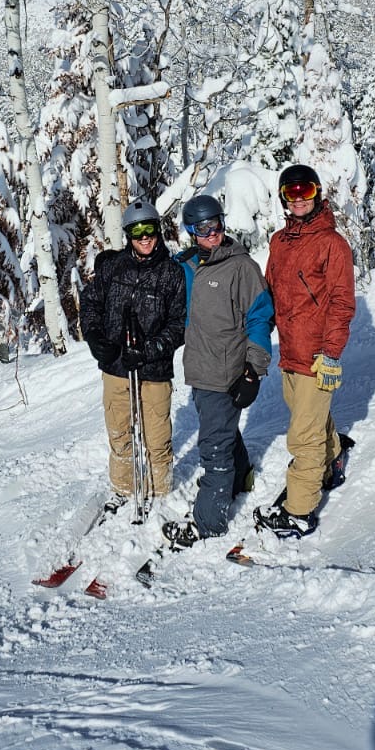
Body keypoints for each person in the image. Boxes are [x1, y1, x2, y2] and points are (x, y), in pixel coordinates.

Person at [163, 193, 274, 548]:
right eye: (203, 228)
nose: (213, 233)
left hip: (225, 372)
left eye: (217, 225)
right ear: (190, 231)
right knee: (221, 430)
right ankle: (239, 476)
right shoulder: (190, 266)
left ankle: (209, 522)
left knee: (213, 447)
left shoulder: (241, 268)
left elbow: (260, 319)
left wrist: (253, 371)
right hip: (200, 368)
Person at [255, 163, 356, 539]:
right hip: (290, 356)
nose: (299, 200)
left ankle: (299, 512)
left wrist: (331, 353)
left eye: (306, 192)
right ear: (284, 197)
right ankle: (330, 465)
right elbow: (271, 295)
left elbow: (342, 303)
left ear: (317, 195)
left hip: (317, 358)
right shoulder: (279, 242)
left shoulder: (333, 244)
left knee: (303, 437)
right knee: (311, 422)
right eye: (292, 193)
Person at [78, 199, 187, 509]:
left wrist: (149, 349)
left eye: (150, 230)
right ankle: (124, 489)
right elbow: (91, 304)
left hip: (154, 370)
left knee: (156, 439)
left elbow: (179, 324)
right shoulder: (112, 267)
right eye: (137, 232)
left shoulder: (171, 274)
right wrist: (96, 338)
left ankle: (159, 492)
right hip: (115, 367)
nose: (145, 238)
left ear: (158, 231)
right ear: (128, 235)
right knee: (120, 435)